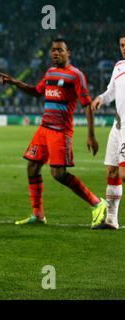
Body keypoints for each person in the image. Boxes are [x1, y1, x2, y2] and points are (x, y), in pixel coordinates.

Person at [0, 38, 107, 228]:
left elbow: (87, 105)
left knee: (58, 174)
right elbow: (36, 91)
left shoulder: (75, 75)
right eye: (53, 50)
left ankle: (97, 203)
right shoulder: (50, 73)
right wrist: (15, 82)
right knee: (32, 166)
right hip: (44, 128)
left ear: (68, 53)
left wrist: (91, 135)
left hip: (61, 131)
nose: (55, 53)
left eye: (59, 50)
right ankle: (38, 215)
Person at [91, 33, 125, 230]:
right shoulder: (119, 66)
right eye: (121, 45)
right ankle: (111, 219)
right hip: (118, 124)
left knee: (123, 173)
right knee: (112, 170)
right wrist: (101, 99)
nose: (124, 48)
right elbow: (111, 91)